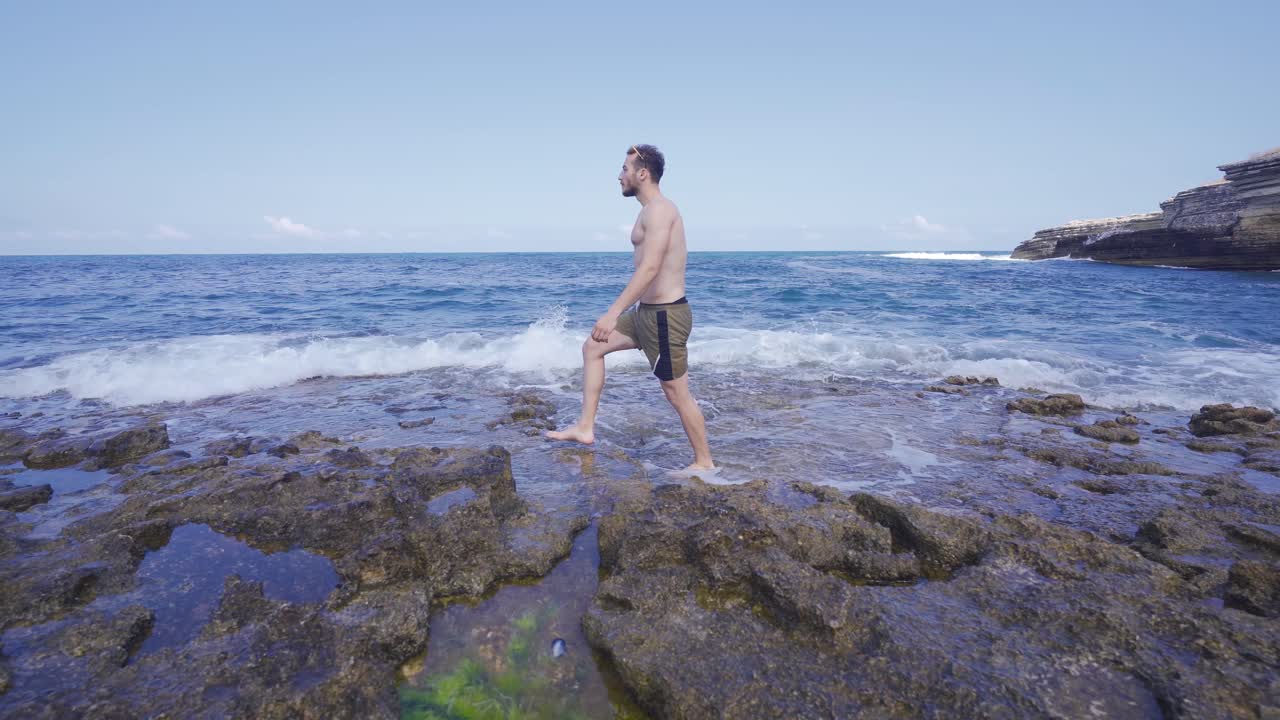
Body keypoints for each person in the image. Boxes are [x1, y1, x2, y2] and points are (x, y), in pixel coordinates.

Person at [545, 144, 714, 472]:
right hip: (645, 315)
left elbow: (650, 268)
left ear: (643, 173)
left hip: (665, 316)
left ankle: (704, 462)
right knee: (593, 347)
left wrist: (612, 313)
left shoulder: (661, 210)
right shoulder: (647, 210)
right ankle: (584, 427)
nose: (619, 175)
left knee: (676, 393)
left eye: (625, 169)